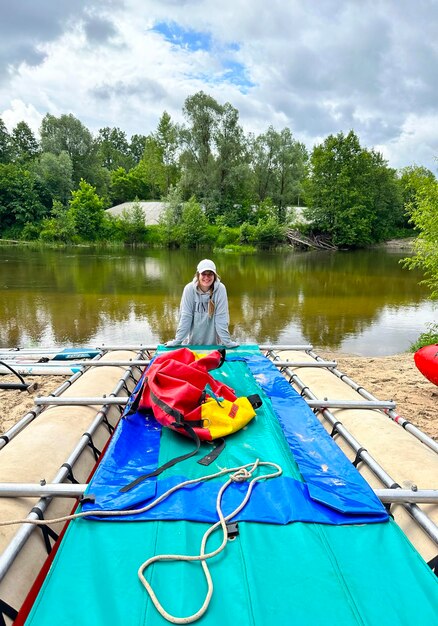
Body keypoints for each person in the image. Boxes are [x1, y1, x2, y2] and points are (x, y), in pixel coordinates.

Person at [166, 259, 239, 348]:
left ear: (214, 275)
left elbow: (221, 318)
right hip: (191, 343)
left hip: (215, 344)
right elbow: (186, 317)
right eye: (204, 274)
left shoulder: (220, 289)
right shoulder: (189, 289)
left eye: (210, 274)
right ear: (198, 275)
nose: (207, 277)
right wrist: (177, 341)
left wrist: (227, 342)